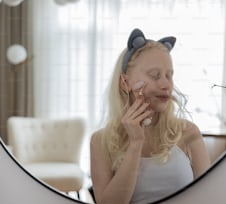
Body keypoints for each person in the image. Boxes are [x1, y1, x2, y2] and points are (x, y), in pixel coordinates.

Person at [90, 28, 210, 204]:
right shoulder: (100, 141)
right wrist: (135, 144)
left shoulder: (188, 132)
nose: (165, 85)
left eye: (169, 76)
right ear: (125, 82)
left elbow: (211, 196)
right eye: (155, 75)